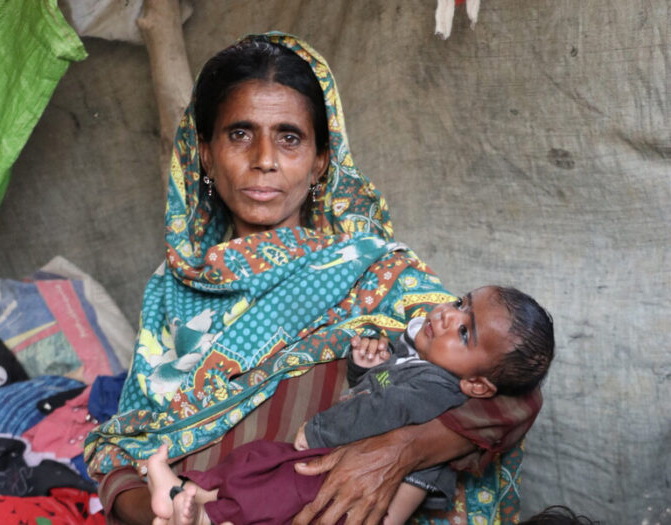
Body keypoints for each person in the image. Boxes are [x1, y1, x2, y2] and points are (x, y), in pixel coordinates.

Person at [85, 33, 547, 525]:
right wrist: (162, 516)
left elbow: (512, 392)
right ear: (204, 153)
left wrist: (402, 451)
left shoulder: (378, 274)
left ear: (321, 160)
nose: (265, 159)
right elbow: (121, 451)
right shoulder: (169, 291)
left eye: (289, 137)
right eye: (240, 134)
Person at [146, 285, 554, 525]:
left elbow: (384, 411)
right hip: (330, 470)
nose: (449, 316)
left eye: (466, 332)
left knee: (272, 493)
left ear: (479, 386)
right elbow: (377, 393)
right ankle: (189, 495)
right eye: (461, 303)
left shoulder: (437, 387)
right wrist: (364, 369)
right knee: (255, 465)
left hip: (342, 493)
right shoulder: (419, 360)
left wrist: (320, 431)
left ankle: (198, 510)